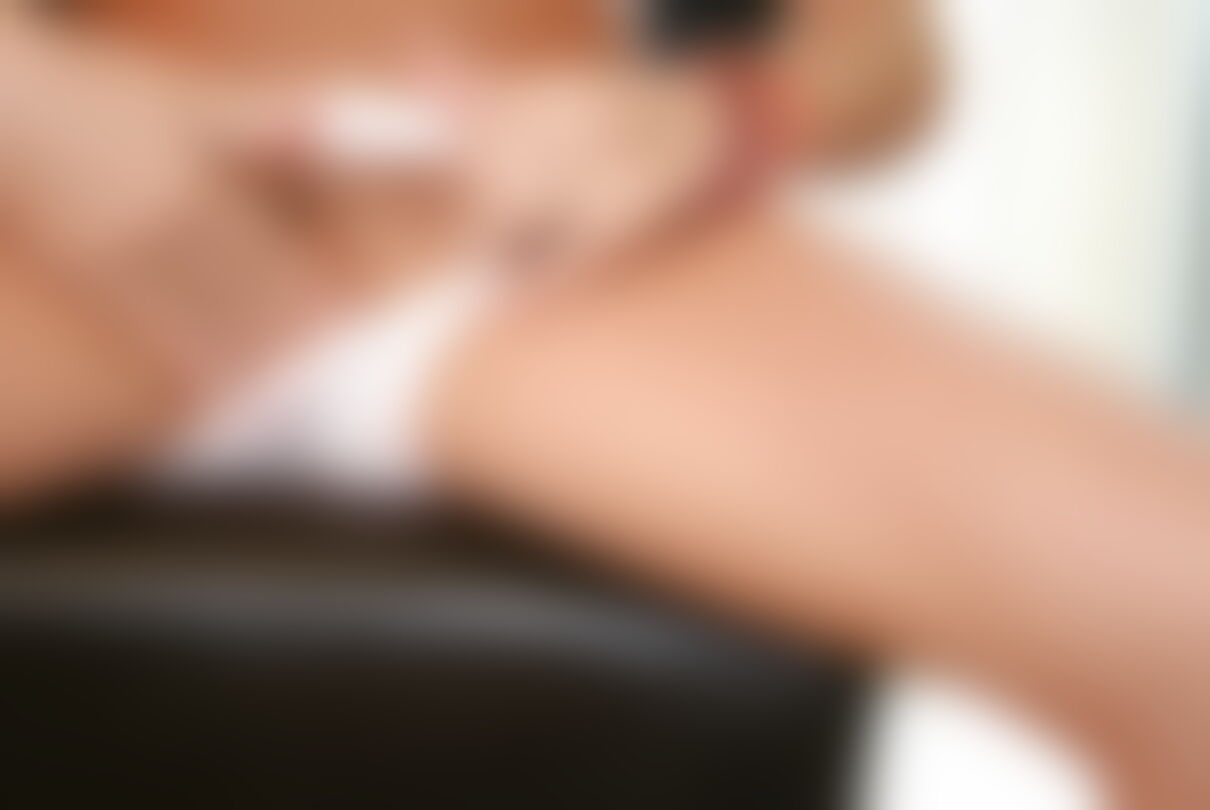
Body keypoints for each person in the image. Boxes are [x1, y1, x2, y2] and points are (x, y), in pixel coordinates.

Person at [1, 4, 1207, 808]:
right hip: (55, 226)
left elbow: (885, 56)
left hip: (515, 232)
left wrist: (711, 116)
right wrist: (29, 97)